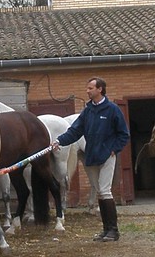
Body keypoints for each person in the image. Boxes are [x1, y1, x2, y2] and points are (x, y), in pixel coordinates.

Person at [51, 77, 130, 242]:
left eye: (90, 88)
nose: (87, 91)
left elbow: (124, 134)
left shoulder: (112, 110)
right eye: (87, 88)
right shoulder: (87, 111)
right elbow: (75, 131)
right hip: (91, 156)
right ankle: (105, 230)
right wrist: (59, 141)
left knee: (105, 190)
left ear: (100, 89)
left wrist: (114, 150)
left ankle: (113, 230)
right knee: (100, 191)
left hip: (107, 156)